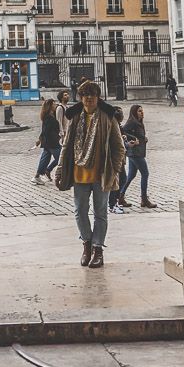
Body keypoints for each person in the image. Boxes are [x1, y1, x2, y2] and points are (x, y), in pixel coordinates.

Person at [61, 80, 126, 269]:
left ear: (98, 98)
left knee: (101, 213)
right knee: (80, 211)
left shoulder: (107, 117)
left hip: (101, 174)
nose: (89, 99)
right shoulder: (74, 118)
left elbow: (119, 147)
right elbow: (66, 145)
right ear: (80, 98)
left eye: (92, 95)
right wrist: (60, 168)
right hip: (79, 173)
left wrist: (114, 169)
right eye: (85, 95)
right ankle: (86, 245)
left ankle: (98, 249)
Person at [118, 104, 155, 208]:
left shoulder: (139, 123)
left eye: (142, 111)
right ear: (134, 113)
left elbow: (138, 135)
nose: (142, 112)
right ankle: (144, 199)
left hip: (136, 152)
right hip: (135, 153)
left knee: (131, 175)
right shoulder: (132, 122)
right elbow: (123, 131)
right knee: (145, 174)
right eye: (139, 111)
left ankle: (120, 196)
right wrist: (133, 138)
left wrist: (144, 138)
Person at [33, 98, 62, 184]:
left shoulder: (49, 116)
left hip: (48, 142)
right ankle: (62, 176)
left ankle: (37, 176)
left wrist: (40, 140)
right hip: (52, 142)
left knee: (45, 159)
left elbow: (44, 131)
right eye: (53, 104)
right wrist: (40, 139)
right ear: (50, 106)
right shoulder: (49, 118)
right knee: (61, 158)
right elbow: (45, 131)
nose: (55, 105)